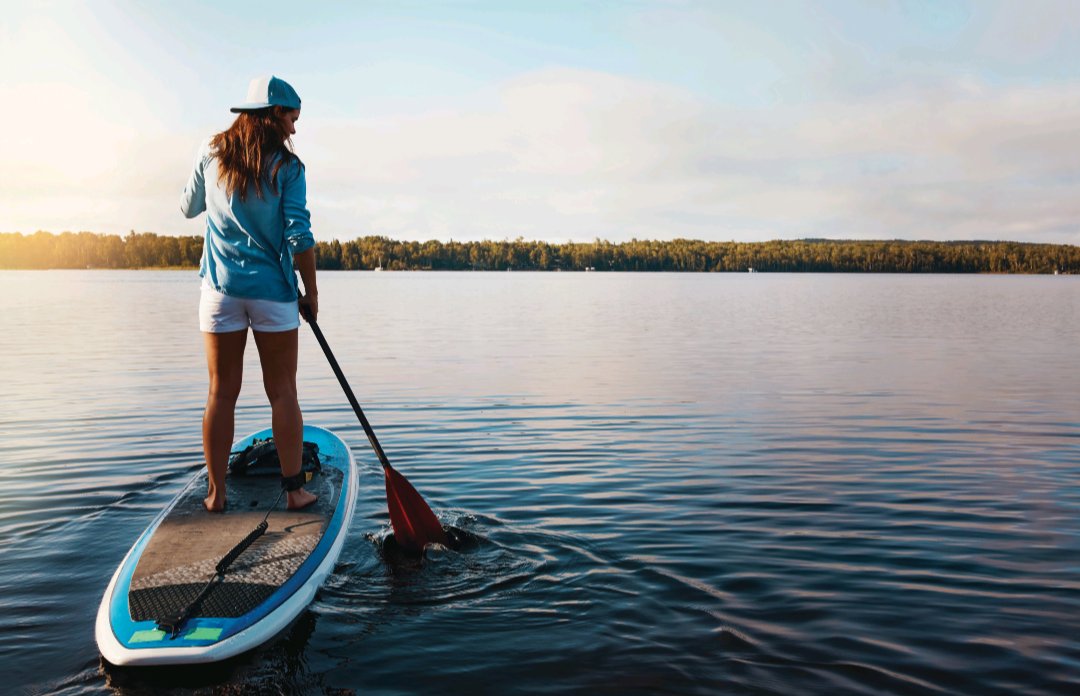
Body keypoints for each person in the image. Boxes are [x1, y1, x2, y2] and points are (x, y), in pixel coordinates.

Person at [181, 75, 318, 512]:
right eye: (292, 119)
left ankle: (216, 495)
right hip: (274, 293)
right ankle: (295, 491)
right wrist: (311, 291)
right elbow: (299, 235)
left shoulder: (211, 151)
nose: (294, 130)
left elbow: (188, 207)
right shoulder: (288, 169)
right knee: (283, 392)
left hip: (220, 291)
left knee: (221, 391)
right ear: (274, 113)